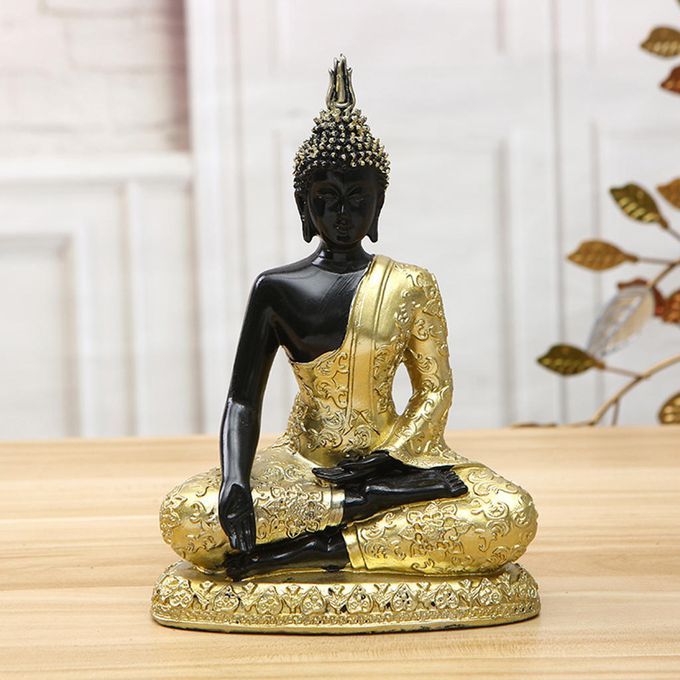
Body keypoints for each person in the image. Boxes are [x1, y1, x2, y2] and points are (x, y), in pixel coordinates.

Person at [160, 56, 537, 581]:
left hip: (396, 462)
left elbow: (434, 390)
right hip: (304, 466)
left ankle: (305, 551)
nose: (342, 214)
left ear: (379, 205)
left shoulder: (411, 284)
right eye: (327, 199)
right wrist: (236, 482)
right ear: (304, 206)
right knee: (188, 515)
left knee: (508, 513)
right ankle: (360, 513)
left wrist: (392, 460)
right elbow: (242, 400)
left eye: (358, 199)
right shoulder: (276, 288)